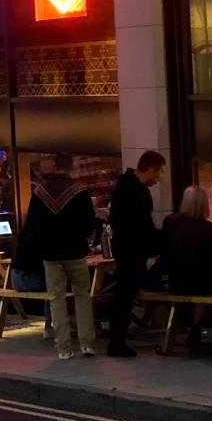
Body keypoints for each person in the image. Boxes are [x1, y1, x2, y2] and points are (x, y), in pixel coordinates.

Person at [23, 154, 97, 360]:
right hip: (75, 252)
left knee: (56, 299)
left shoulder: (40, 192)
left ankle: (63, 348)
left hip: (50, 254)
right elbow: (89, 222)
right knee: (82, 295)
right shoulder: (80, 191)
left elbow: (32, 225)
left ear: (54, 166)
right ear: (71, 167)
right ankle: (87, 343)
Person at [108, 151, 166, 358]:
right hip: (130, 250)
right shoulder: (131, 189)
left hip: (130, 248)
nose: (159, 178)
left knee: (126, 293)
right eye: (159, 173)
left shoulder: (131, 187)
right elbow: (139, 224)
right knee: (125, 294)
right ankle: (116, 341)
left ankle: (117, 339)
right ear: (151, 168)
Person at [159, 186, 212, 353]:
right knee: (204, 289)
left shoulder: (170, 222)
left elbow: (165, 252)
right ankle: (196, 329)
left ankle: (179, 330)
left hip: (178, 281)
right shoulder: (209, 229)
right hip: (203, 284)